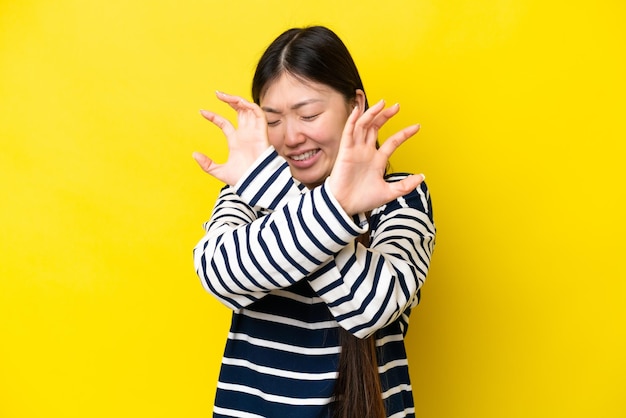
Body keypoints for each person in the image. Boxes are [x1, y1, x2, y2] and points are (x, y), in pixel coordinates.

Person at [192, 25, 436, 418]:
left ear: (355, 106)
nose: (290, 137)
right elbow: (218, 274)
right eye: (273, 121)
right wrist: (331, 208)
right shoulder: (245, 193)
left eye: (308, 114)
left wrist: (273, 190)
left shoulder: (400, 196)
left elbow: (370, 309)